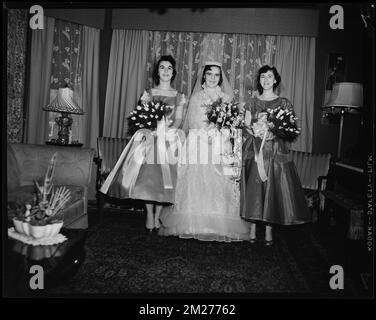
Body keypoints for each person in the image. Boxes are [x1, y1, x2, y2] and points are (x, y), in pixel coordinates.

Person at [159, 61, 251, 242]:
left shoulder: (226, 98)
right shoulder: (196, 97)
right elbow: (192, 122)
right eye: (209, 74)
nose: (212, 78)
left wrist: (220, 132)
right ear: (204, 76)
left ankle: (218, 223)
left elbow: (231, 122)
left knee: (218, 183)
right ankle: (194, 222)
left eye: (216, 75)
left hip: (220, 143)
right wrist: (206, 132)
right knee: (197, 181)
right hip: (198, 142)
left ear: (220, 78)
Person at [100, 55, 187, 233]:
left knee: (165, 181)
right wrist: (151, 130)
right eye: (162, 67)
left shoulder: (179, 96)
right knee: (148, 179)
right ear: (157, 71)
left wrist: (168, 132)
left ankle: (158, 215)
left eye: (169, 68)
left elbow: (178, 119)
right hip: (149, 139)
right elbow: (142, 117)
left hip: (169, 140)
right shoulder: (148, 94)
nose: (165, 71)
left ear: (173, 72)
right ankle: (149, 214)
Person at [240, 65, 311, 246]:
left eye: (269, 76)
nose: (266, 80)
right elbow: (245, 126)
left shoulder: (284, 103)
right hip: (255, 152)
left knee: (272, 188)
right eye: (263, 76)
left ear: (275, 80)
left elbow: (291, 130)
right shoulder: (252, 102)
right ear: (260, 80)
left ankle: (270, 230)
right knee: (255, 189)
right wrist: (253, 130)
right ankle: (254, 228)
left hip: (276, 153)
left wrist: (275, 133)